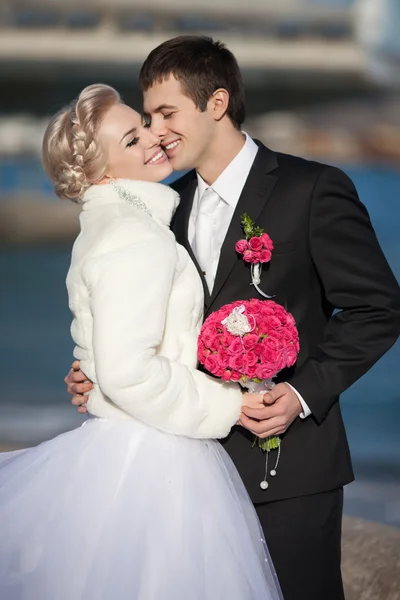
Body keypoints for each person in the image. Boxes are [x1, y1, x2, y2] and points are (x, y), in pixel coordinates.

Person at [67, 36, 400, 600]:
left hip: (291, 466)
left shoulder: (312, 189)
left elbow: (378, 308)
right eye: (148, 116)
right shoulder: (163, 210)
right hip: (191, 471)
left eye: (167, 112)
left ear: (216, 103)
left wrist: (301, 395)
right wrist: (97, 371)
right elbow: (145, 325)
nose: (156, 130)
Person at [0, 84, 283, 600]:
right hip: (155, 458)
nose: (155, 138)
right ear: (101, 173)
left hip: (132, 446)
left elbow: (111, 354)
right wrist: (231, 404)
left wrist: (96, 376)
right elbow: (129, 371)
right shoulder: (135, 235)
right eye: (132, 139)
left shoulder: (114, 225)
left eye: (145, 125)